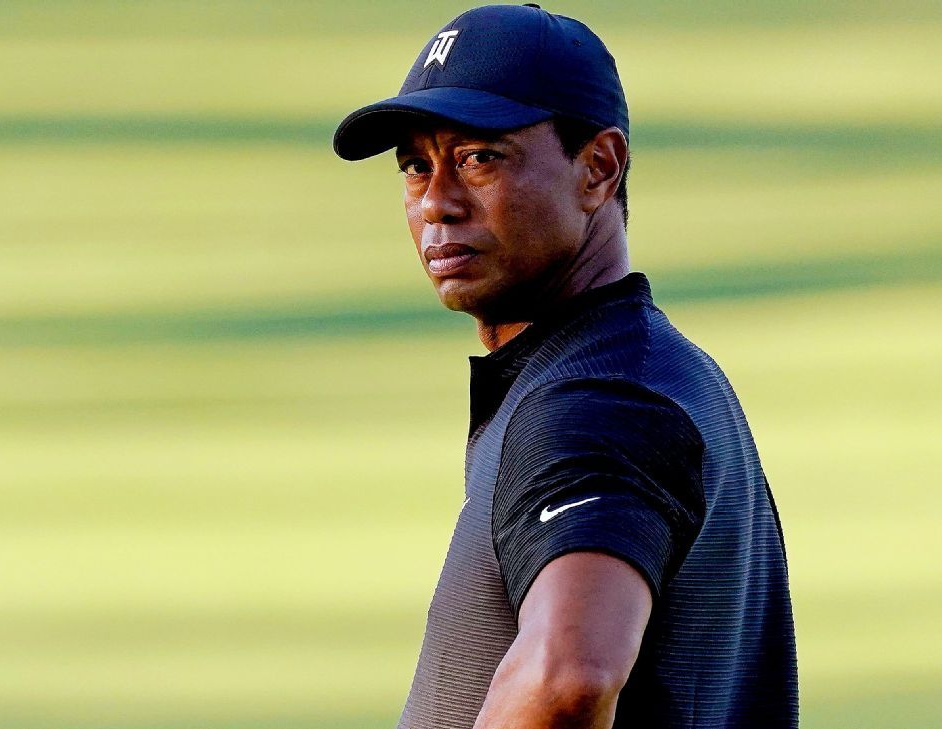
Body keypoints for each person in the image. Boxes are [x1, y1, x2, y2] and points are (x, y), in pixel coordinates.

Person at [331, 4, 798, 728]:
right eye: (417, 166)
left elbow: (569, 677)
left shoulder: (597, 400)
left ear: (598, 168)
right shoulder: (638, 368)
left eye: (479, 157)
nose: (437, 203)